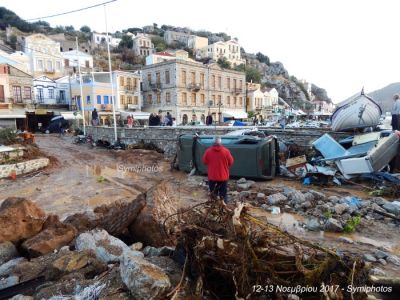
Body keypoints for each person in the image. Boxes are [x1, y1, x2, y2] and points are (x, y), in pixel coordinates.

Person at [202, 136, 234, 205]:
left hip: (212, 177)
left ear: (212, 143)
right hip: (223, 177)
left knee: (213, 195)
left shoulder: (208, 151)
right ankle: (225, 209)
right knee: (223, 195)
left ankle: (214, 209)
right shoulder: (226, 151)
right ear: (221, 142)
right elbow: (231, 162)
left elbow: (204, 162)